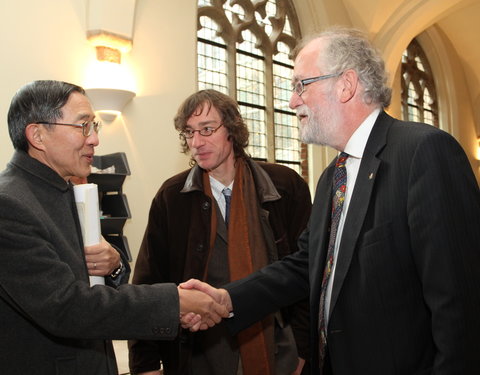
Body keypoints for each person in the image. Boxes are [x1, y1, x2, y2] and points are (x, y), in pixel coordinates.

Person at [181, 27, 480, 374]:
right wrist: (228, 298)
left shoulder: (423, 153)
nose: (292, 101)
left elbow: (461, 308)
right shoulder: (331, 178)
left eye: (301, 85)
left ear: (346, 84)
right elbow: (305, 264)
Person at [0, 80, 228, 375]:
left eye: (94, 126)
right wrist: (175, 302)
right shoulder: (10, 205)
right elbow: (66, 306)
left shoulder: (63, 190)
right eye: (83, 126)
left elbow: (91, 285)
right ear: (38, 135)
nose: (94, 139)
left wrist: (114, 266)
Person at [128, 89, 312, 375]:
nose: (197, 142)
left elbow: (308, 270)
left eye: (207, 129)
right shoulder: (172, 196)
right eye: (189, 133)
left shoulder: (285, 186)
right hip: (200, 355)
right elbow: (149, 282)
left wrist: (304, 350)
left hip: (278, 350)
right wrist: (146, 364)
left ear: (233, 129)